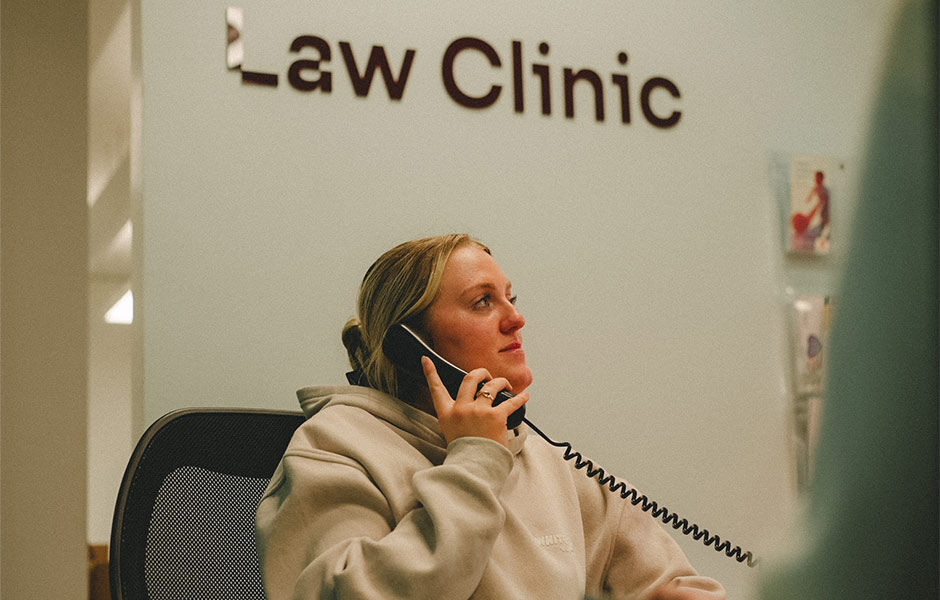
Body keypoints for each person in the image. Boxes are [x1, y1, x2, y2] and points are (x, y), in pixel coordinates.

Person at [256, 234, 725, 599]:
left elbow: (676, 585)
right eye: (483, 301)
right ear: (410, 345)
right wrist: (475, 459)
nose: (514, 319)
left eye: (510, 298)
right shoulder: (335, 447)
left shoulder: (548, 462)